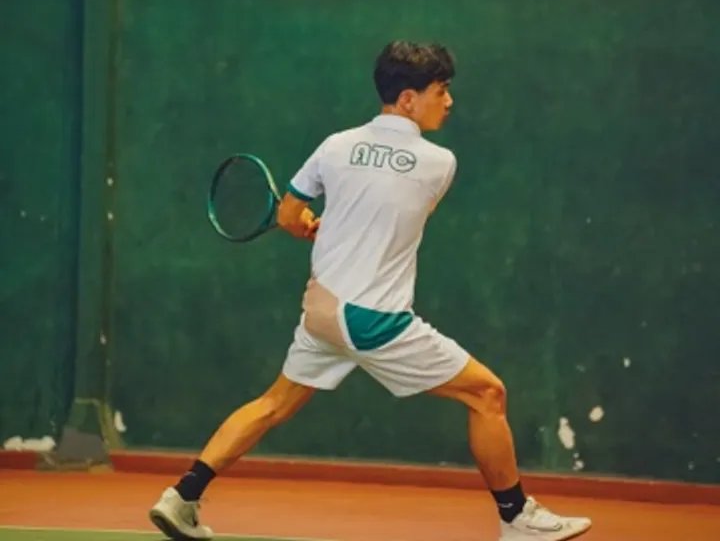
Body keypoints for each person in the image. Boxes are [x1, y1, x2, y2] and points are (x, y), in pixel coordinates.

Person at [149, 41, 592, 541]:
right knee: (488, 394)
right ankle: (517, 519)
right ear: (407, 100)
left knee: (273, 403)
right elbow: (399, 217)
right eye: (440, 90)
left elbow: (289, 215)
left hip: (322, 311)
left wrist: (311, 225)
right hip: (373, 320)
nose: (449, 101)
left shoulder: (334, 145)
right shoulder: (439, 163)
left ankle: (181, 496)